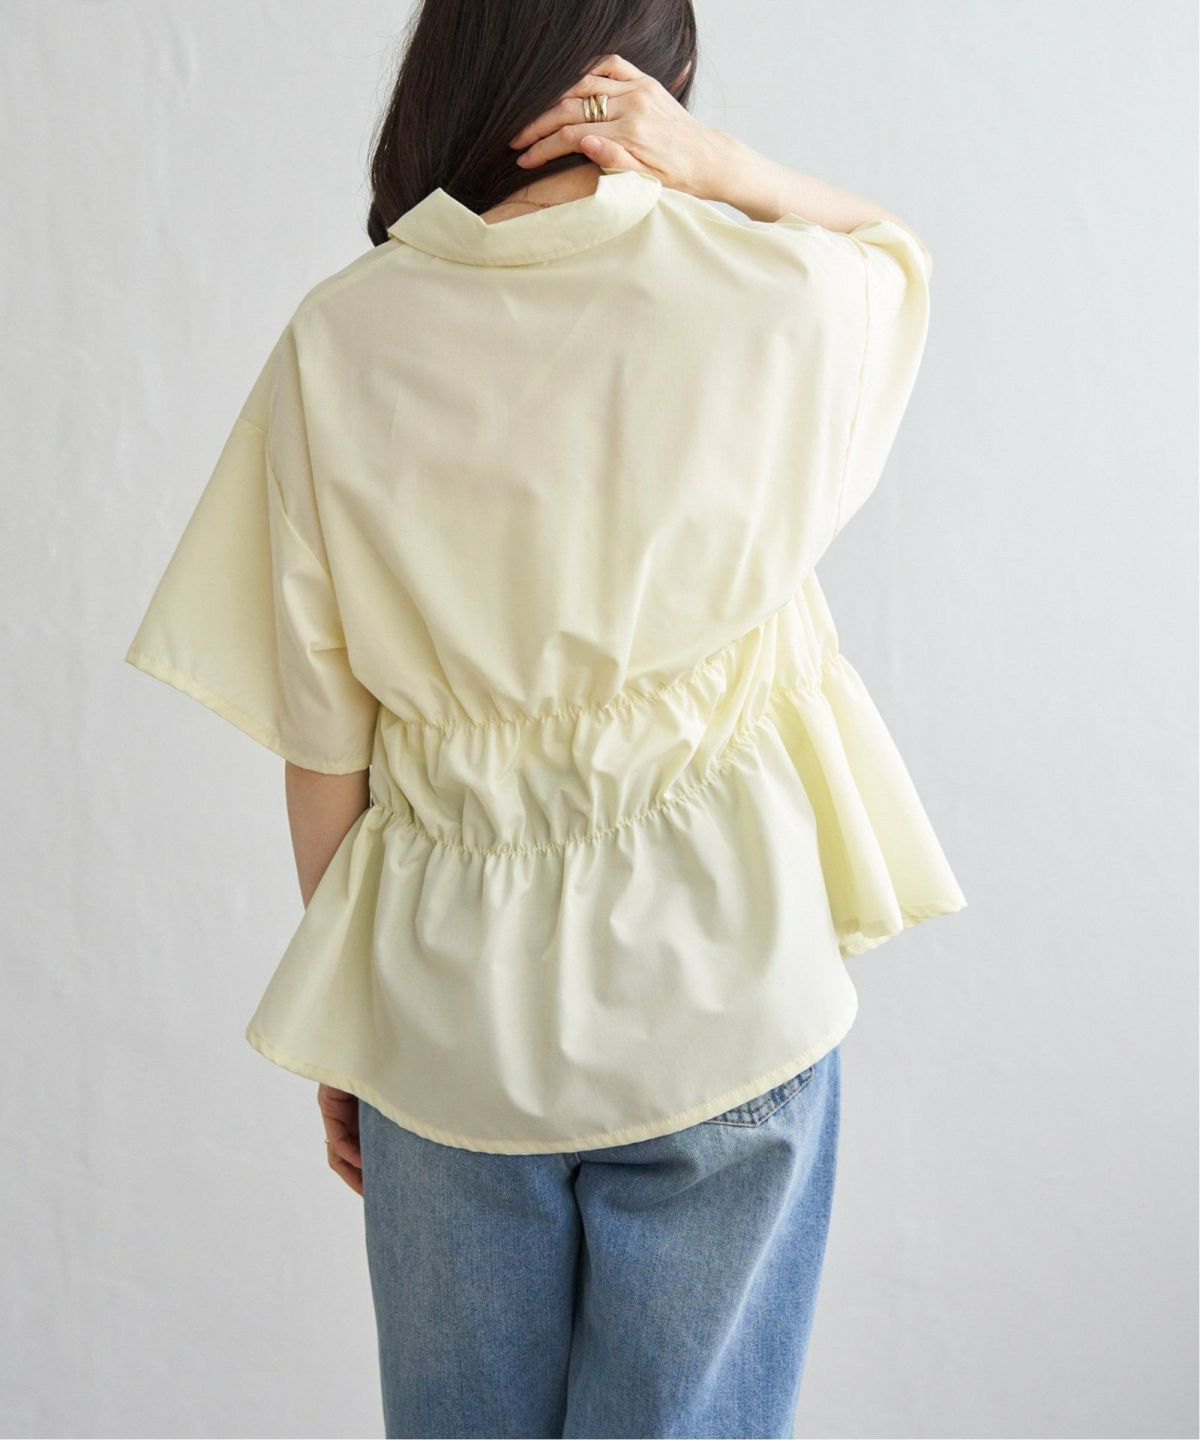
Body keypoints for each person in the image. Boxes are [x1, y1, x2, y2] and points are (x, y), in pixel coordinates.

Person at [123, 2, 966, 1435]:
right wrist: (726, 167)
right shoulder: (767, 293)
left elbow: (324, 744)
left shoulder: (342, 337)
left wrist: (354, 1023)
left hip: (449, 1022)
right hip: (725, 991)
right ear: (656, 85)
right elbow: (892, 256)